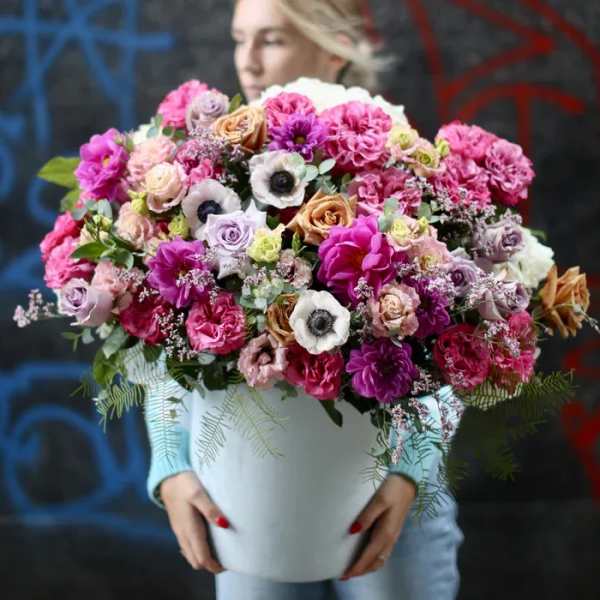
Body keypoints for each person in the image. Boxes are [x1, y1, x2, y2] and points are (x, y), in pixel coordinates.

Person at [144, 1, 464, 599]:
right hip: (245, 493)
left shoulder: (399, 164)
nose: (248, 62)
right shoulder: (208, 172)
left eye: (272, 40)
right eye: (239, 39)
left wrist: (410, 472)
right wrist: (172, 464)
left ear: (333, 48)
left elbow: (453, 345)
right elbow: (160, 334)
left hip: (388, 496)